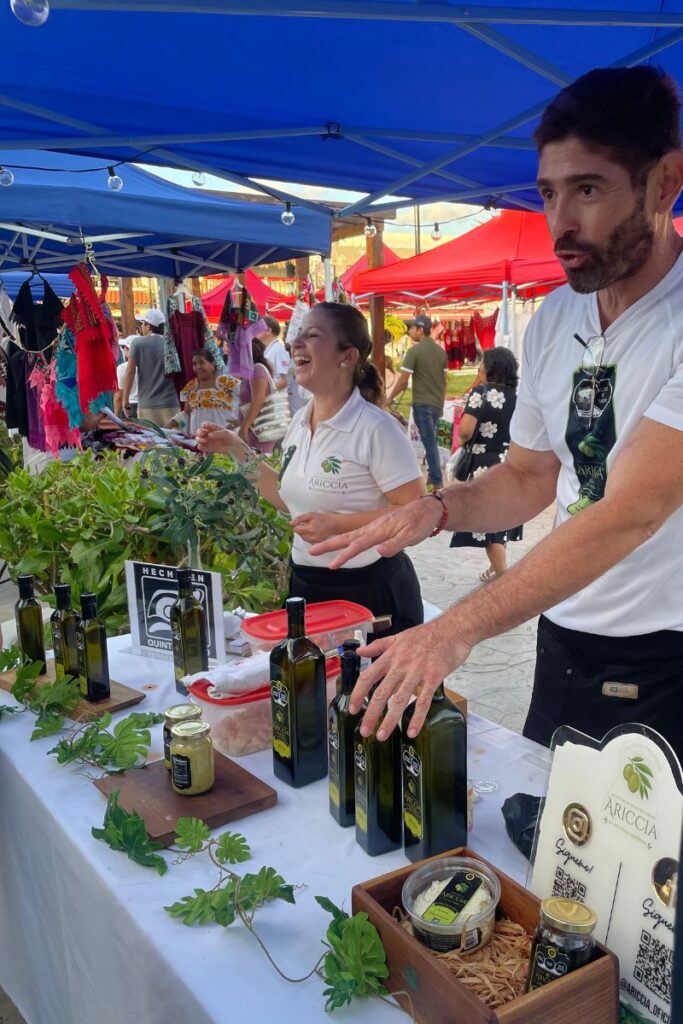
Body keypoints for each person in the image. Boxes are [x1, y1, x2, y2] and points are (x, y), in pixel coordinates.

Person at [309, 66, 683, 763]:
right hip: (564, 635)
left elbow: (636, 508)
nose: (560, 225)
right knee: (548, 856)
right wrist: (438, 509)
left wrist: (454, 628)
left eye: (588, 190)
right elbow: (528, 477)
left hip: (666, 654)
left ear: (664, 181)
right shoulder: (553, 316)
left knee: (645, 871)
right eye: (547, 193)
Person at [197, 302, 426, 632]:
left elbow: (414, 510)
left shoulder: (377, 428)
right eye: (297, 335)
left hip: (370, 593)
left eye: (312, 335)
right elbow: (285, 495)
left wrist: (337, 525)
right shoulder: (301, 422)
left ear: (347, 357)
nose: (296, 343)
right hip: (307, 587)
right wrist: (235, 448)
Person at [451, 347, 523, 582]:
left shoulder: (480, 393)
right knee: (501, 521)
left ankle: (505, 577)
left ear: (490, 367)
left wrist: (464, 441)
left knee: (489, 526)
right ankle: (497, 568)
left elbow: (466, 431)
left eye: (481, 363)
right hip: (510, 465)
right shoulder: (518, 398)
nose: (479, 367)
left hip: (483, 466)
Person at [386, 313, 447, 490]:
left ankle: (436, 479)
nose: (409, 331)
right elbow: (444, 381)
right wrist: (441, 404)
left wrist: (390, 398)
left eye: (412, 328)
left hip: (422, 402)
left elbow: (403, 379)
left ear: (421, 330)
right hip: (436, 403)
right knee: (430, 439)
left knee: (429, 441)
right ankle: (432, 475)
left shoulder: (414, 352)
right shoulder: (441, 352)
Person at [122, 309, 179, 426]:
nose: (142, 327)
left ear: (148, 326)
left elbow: (130, 372)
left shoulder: (138, 343)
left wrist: (125, 400)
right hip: (171, 403)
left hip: (147, 405)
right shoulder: (172, 343)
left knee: (151, 442)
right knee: (174, 442)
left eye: (143, 324)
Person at [166, 349, 240, 436]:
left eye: (201, 362)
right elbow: (186, 414)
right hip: (199, 441)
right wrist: (168, 426)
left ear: (212, 364)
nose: (198, 367)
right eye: (194, 364)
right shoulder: (190, 387)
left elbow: (249, 400)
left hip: (225, 439)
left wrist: (239, 423)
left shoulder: (227, 382)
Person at [237, 338, 279, 455]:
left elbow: (258, 400)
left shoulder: (257, 369)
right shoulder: (251, 371)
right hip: (254, 431)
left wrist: (244, 427)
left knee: (258, 467)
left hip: (258, 432)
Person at [257, 315, 289, 391]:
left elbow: (284, 380)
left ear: (269, 331)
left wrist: (265, 392)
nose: (256, 331)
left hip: (277, 400)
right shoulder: (268, 349)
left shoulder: (279, 350)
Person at [115, 337, 138, 417]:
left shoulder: (122, 368)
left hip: (129, 406)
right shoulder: (148, 366)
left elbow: (119, 395)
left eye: (123, 347)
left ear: (128, 349)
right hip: (146, 405)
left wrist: (115, 415)